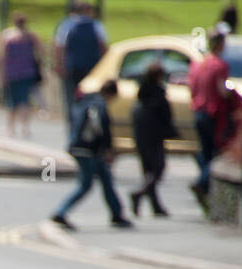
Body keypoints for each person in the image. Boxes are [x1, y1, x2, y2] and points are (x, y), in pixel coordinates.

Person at [51, 79, 132, 230]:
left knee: (107, 180)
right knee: (86, 185)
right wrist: (107, 149)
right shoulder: (99, 105)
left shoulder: (85, 102)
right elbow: (100, 129)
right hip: (88, 149)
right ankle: (60, 213)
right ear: (110, 94)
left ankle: (117, 214)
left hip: (80, 147)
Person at [187, 30, 230, 210]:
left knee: (204, 151)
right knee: (214, 152)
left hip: (198, 112)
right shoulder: (220, 66)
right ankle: (203, 181)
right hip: (212, 114)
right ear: (219, 44)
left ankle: (205, 185)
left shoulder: (198, 64)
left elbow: (191, 88)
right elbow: (223, 91)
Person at [129, 62, 177, 217]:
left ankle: (156, 206)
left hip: (141, 137)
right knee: (158, 169)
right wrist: (171, 131)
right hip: (154, 137)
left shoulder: (141, 94)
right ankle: (139, 192)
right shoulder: (158, 94)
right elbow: (165, 116)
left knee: (148, 171)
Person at [54, 1, 107, 131]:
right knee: (91, 99)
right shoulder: (96, 25)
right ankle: (88, 126)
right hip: (92, 68)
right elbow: (104, 47)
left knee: (71, 100)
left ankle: (74, 128)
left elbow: (59, 47)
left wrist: (59, 65)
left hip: (72, 67)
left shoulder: (66, 24)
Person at [0, 12, 43, 138]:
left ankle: (10, 128)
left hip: (12, 73)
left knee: (12, 102)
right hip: (27, 72)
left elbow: (1, 56)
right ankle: (25, 128)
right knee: (25, 101)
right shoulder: (31, 36)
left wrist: (2, 74)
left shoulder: (6, 36)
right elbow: (41, 51)